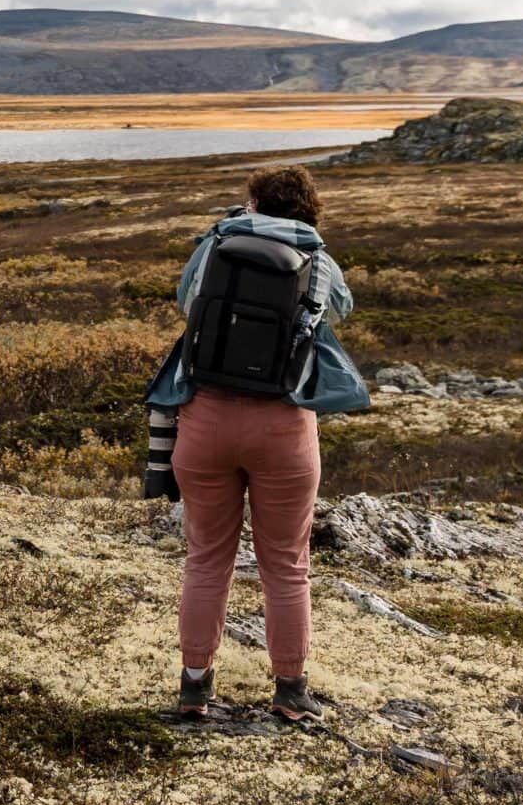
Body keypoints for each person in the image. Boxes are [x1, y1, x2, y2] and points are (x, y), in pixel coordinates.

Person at [143, 166, 367, 722]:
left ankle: (194, 686)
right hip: (283, 427)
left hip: (206, 421)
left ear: (254, 202)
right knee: (287, 565)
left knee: (206, 560)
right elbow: (340, 311)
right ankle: (291, 691)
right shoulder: (320, 259)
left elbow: (184, 300)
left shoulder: (218, 242)